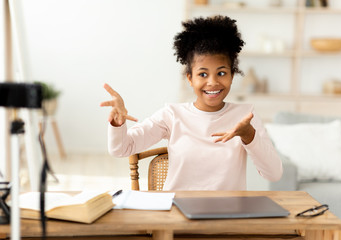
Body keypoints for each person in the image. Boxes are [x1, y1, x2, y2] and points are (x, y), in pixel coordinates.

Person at [100, 15, 282, 191]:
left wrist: (249, 135)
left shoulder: (246, 116)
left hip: (226, 215)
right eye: (203, 74)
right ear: (190, 78)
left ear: (232, 76)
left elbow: (274, 174)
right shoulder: (172, 115)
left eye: (221, 73)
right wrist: (117, 123)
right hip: (177, 212)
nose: (212, 82)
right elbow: (121, 149)